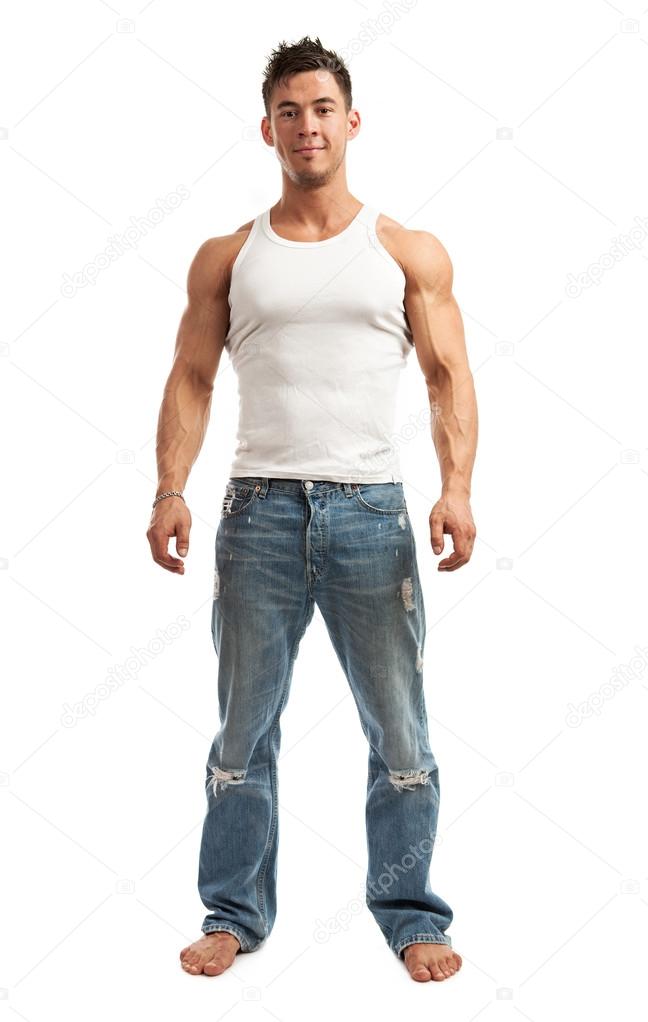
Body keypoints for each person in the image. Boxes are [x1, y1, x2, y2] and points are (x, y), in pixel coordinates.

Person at [146, 35, 477, 983]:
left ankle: (412, 913)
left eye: (322, 108)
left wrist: (455, 488)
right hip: (257, 517)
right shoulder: (227, 255)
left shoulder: (406, 250)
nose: (307, 125)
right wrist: (172, 488)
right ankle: (233, 913)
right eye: (289, 111)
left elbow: (449, 375)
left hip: (371, 512)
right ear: (268, 129)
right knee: (243, 732)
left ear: (352, 121)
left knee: (401, 735)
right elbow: (192, 376)